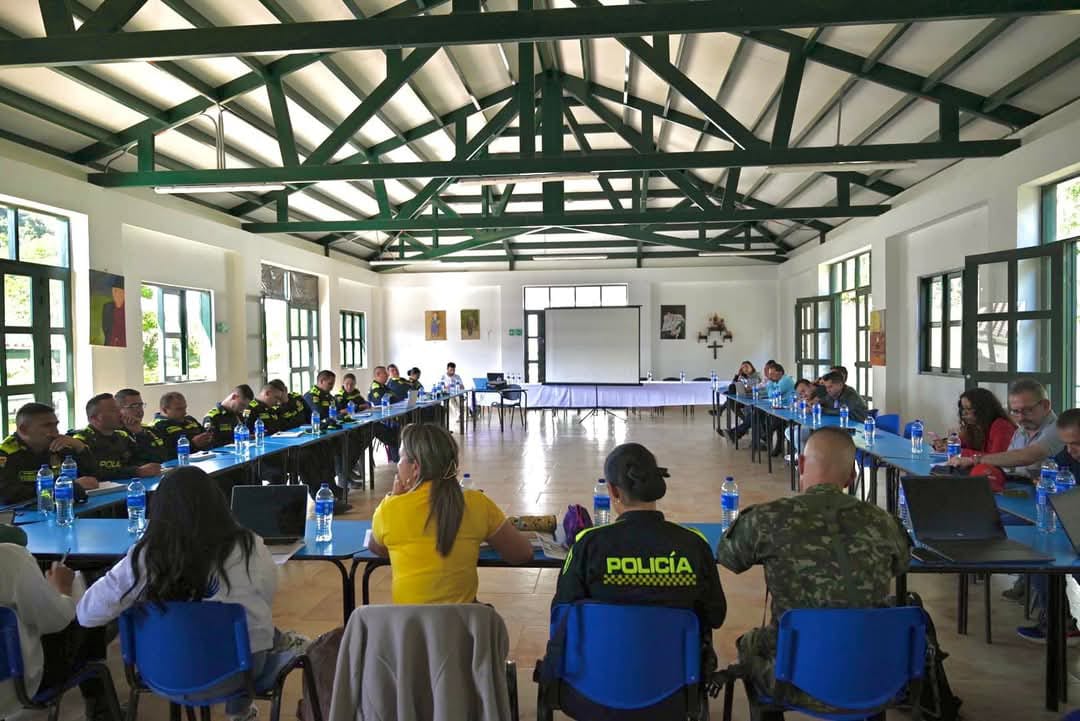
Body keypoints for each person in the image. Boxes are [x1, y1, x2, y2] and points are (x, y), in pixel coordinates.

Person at [77, 467, 297, 721]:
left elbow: (86, 615)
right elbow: (265, 598)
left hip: (162, 672)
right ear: (219, 502)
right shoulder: (249, 545)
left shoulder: (145, 556)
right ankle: (240, 711)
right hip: (238, 673)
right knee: (254, 630)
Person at [716, 427, 910, 715]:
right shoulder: (884, 522)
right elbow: (901, 564)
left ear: (802, 465)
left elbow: (729, 556)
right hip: (876, 674)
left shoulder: (769, 518)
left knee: (750, 643)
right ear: (852, 476)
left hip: (793, 678)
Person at [551, 443, 726, 630]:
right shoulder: (694, 544)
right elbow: (716, 615)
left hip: (605, 658)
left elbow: (562, 613)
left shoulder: (588, 544)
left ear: (613, 491)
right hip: (677, 659)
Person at [367, 423, 533, 603]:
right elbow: (521, 553)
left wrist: (394, 498)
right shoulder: (476, 503)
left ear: (416, 468)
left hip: (409, 628)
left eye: (400, 458)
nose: (397, 465)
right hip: (461, 628)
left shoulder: (389, 510)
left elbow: (378, 548)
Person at [0, 544, 117, 721]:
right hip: (20, 686)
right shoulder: (10, 558)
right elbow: (56, 621)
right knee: (87, 600)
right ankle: (100, 710)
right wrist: (61, 589)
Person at [1017, 408, 1080, 643]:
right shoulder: (1066, 458)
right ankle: (1059, 623)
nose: (1071, 451)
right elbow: (1049, 474)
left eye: (1077, 444)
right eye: (1067, 444)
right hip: (1070, 532)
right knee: (1037, 557)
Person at [947, 379, 1064, 480]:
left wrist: (974, 460)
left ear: (1045, 405)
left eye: (1027, 410)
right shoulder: (1021, 431)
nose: (1021, 418)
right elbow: (1006, 464)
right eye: (1015, 411)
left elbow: (1026, 456)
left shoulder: (1058, 428)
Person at [0, 403, 98, 505]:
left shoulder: (59, 445)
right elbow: (8, 494)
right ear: (24, 430)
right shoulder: (5, 453)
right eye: (47, 426)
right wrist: (67, 486)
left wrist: (79, 446)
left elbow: (93, 478)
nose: (55, 431)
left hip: (63, 508)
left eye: (56, 425)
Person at [72, 394, 161, 481]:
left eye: (119, 409)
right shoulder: (80, 441)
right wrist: (136, 471)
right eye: (113, 410)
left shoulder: (122, 436)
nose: (120, 414)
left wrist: (139, 432)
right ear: (95, 418)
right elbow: (95, 473)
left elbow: (154, 459)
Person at [931, 387, 1015, 457]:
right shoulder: (973, 425)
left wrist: (960, 452)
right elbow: (960, 443)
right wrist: (943, 445)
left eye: (969, 409)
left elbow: (996, 458)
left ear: (983, 409)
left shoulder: (1001, 426)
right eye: (963, 409)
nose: (964, 413)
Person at [152, 392, 214, 459]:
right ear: (165, 410)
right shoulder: (156, 427)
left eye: (185, 408)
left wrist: (208, 437)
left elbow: (207, 440)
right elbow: (164, 454)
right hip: (180, 466)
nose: (185, 412)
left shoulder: (190, 419)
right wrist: (193, 444)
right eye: (179, 409)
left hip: (206, 458)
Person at [115, 389, 167, 463]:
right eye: (134, 406)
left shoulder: (149, 430)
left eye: (141, 405)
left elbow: (162, 458)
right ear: (119, 410)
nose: (140, 410)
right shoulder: (115, 434)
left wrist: (139, 433)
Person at [368, 366, 403, 462]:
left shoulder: (384, 386)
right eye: (385, 373)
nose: (387, 375)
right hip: (381, 420)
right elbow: (383, 402)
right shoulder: (375, 388)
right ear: (378, 375)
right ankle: (396, 457)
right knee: (395, 432)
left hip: (390, 416)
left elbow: (395, 397)